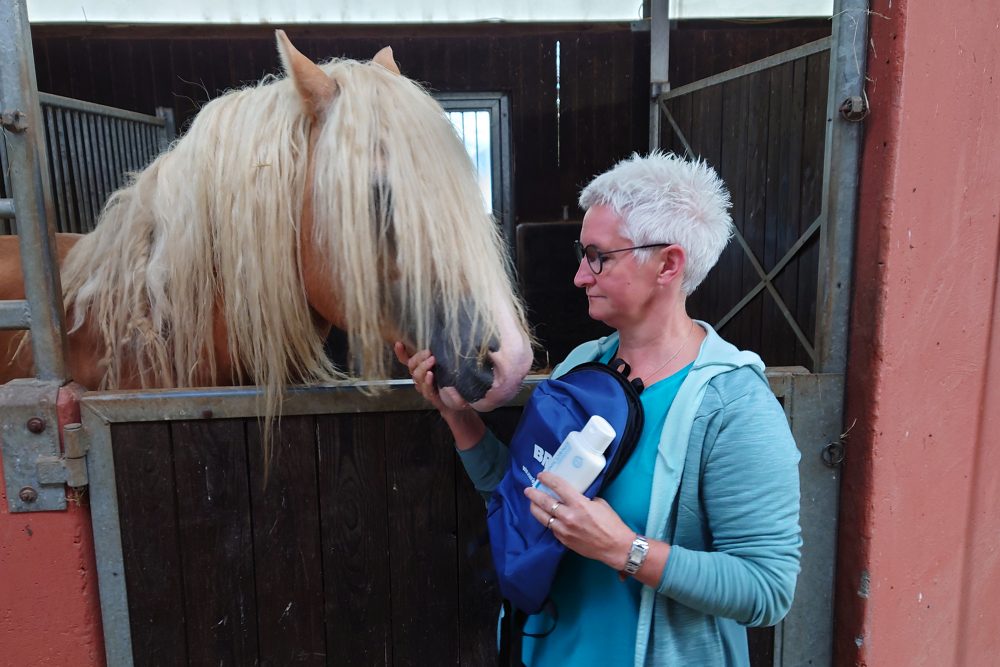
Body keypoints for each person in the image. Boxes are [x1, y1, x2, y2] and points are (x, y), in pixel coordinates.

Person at [394, 151, 801, 666]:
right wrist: (455, 413)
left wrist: (624, 549)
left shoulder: (733, 405)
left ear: (668, 264)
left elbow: (767, 590)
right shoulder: (583, 367)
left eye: (598, 257)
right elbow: (526, 500)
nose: (580, 276)